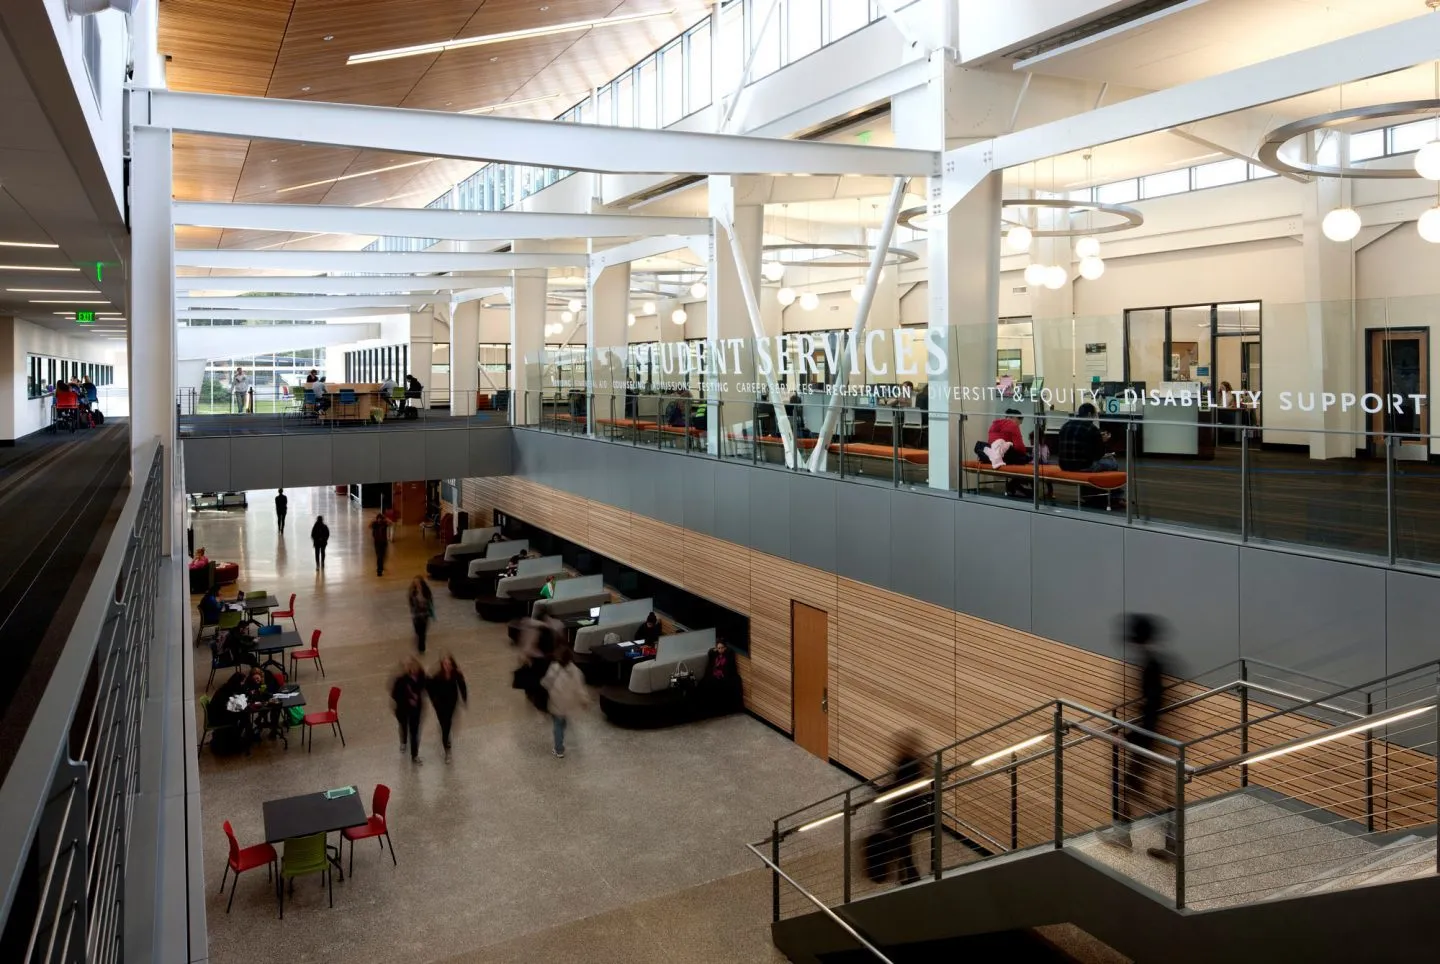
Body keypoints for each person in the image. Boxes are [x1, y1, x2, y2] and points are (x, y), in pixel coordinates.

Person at [1101, 614, 1177, 861]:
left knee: (1132, 787)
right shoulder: (1156, 661)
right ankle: (1166, 839)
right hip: (1155, 737)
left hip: (1149, 738)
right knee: (1134, 787)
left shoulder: (1150, 665)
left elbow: (1152, 707)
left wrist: (1129, 735)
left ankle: (1163, 834)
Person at [866, 733, 933, 885]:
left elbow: (902, 785)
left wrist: (882, 790)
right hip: (908, 811)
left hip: (907, 812)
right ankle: (908, 873)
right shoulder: (914, 761)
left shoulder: (909, 763)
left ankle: (907, 873)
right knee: (903, 843)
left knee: (901, 842)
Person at [541, 645, 588, 759]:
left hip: (556, 701)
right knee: (562, 721)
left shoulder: (554, 668)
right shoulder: (575, 671)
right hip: (568, 702)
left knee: (557, 725)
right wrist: (584, 700)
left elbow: (546, 682)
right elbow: (579, 688)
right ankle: (562, 729)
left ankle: (559, 749)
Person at [427, 655, 468, 763]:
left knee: (447, 725)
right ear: (442, 665)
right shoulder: (438, 676)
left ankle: (447, 746)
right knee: (444, 726)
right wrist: (434, 701)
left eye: (449, 664)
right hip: (440, 705)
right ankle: (447, 746)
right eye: (445, 664)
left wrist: (464, 698)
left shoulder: (456, 674)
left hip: (451, 704)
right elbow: (430, 688)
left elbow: (462, 685)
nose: (447, 666)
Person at [1057, 403, 1119, 473]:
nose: (1094, 418)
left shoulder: (1065, 426)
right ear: (1089, 414)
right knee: (1113, 462)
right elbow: (1098, 455)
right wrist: (1102, 441)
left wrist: (1097, 438)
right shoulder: (1091, 428)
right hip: (1084, 466)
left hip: (1064, 465)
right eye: (1094, 415)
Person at [392, 659, 427, 764]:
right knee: (403, 727)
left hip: (415, 711)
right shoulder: (401, 680)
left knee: (414, 733)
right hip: (403, 709)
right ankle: (403, 741)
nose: (414, 670)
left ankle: (414, 755)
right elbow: (395, 695)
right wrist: (408, 700)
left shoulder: (420, 679)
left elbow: (426, 685)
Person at [699, 639, 743, 712]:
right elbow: (710, 653)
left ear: (725, 648)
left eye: (722, 648)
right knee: (704, 683)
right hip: (715, 673)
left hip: (723, 674)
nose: (720, 650)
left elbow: (729, 667)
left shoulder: (728, 655)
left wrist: (721, 673)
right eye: (719, 648)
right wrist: (714, 650)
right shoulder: (715, 655)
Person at [408, 576, 434, 652]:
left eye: (418, 582)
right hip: (416, 615)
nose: (417, 584)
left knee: (423, 632)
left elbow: (430, 601)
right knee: (418, 631)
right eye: (415, 583)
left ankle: (421, 648)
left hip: (424, 615)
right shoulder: (413, 592)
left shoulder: (426, 592)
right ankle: (420, 642)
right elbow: (411, 603)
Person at [370, 511, 390, 576]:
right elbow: (369, 526)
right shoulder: (375, 524)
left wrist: (385, 518)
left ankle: (381, 567)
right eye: (378, 519)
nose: (379, 520)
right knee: (379, 556)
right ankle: (379, 571)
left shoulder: (384, 524)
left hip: (384, 542)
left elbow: (391, 523)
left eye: (380, 519)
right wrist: (373, 520)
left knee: (383, 556)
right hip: (377, 543)